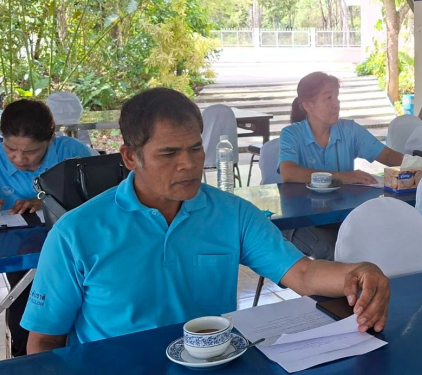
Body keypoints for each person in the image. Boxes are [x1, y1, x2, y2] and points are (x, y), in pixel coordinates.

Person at [21, 88, 389, 353]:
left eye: (195, 148)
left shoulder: (231, 213)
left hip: (212, 373)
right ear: (131, 157)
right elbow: (45, 340)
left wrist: (358, 273)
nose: (189, 164)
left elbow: (303, 274)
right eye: (169, 153)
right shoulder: (76, 233)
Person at [0, 98, 94, 357]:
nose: (19, 159)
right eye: (10, 148)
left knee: (88, 309)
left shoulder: (72, 154)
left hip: (78, 251)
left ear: (51, 139)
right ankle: (26, 361)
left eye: (31, 152)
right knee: (28, 314)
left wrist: (48, 200)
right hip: (21, 258)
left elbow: (105, 197)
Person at [278, 72, 404, 259]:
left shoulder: (350, 130)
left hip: (342, 217)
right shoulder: (291, 134)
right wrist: (343, 176)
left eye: (336, 97)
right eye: (328, 98)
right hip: (302, 222)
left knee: (384, 240)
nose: (336, 104)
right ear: (308, 105)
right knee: (336, 253)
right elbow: (288, 172)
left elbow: (388, 155)